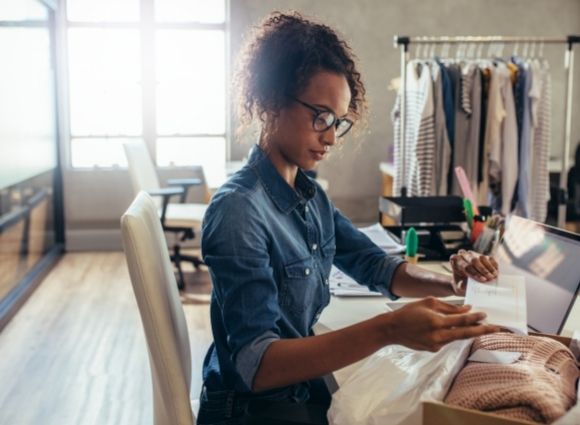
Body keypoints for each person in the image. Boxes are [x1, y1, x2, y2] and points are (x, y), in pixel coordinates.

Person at [197, 11, 500, 424]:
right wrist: (387, 330)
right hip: (251, 411)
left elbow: (376, 265)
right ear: (270, 102)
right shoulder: (238, 210)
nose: (330, 137)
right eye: (319, 116)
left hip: (297, 391)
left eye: (337, 122)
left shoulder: (308, 196)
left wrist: (452, 283)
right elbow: (257, 365)